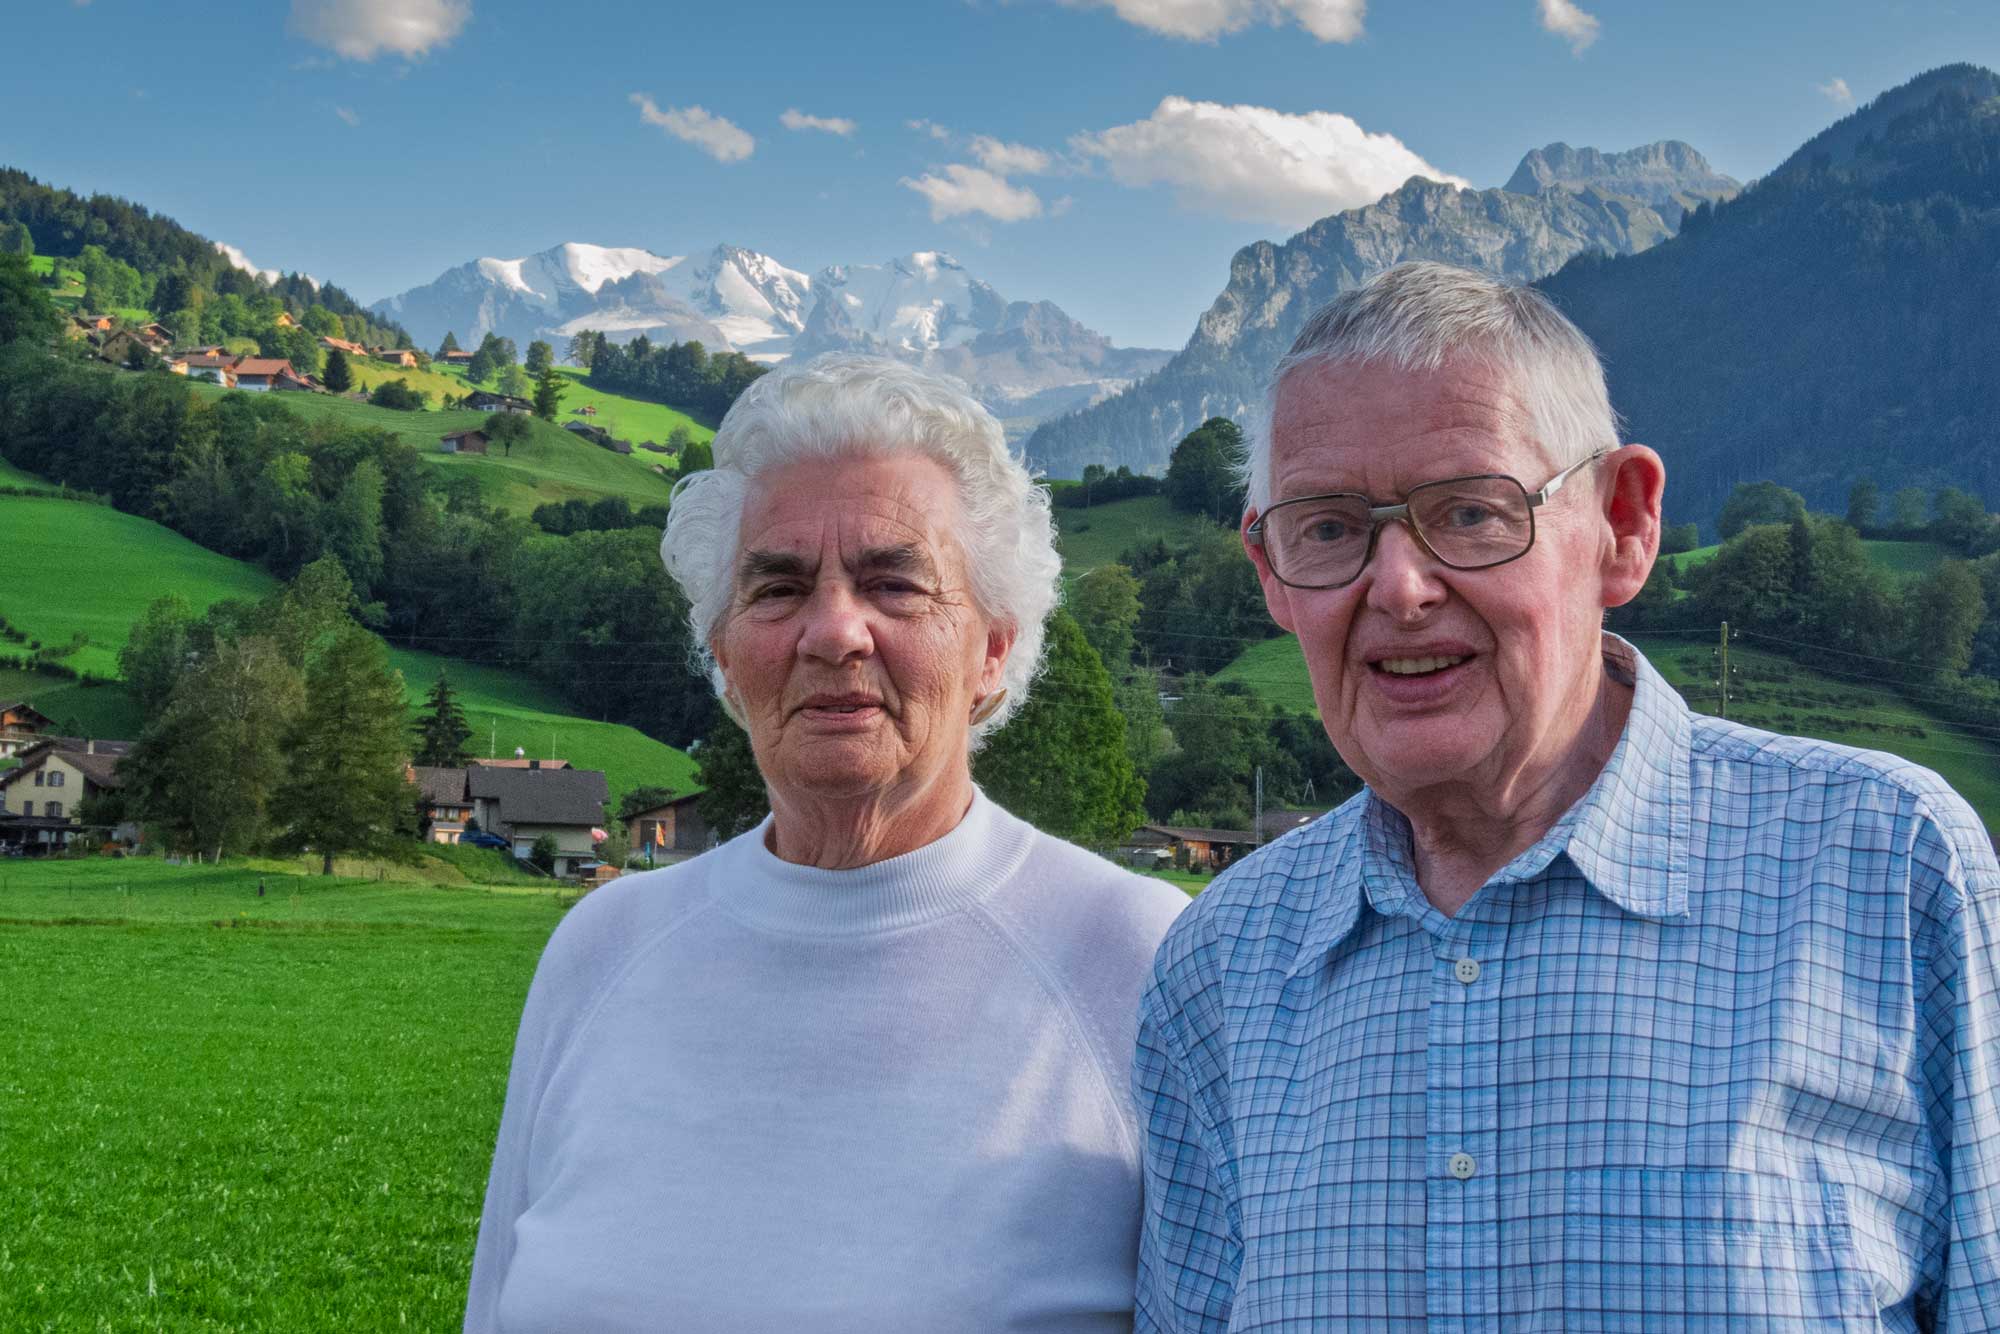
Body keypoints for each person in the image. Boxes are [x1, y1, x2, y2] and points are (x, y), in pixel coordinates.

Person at [1133, 261, 2000, 1330]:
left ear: (1621, 526)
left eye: (1470, 511)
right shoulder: (1219, 969)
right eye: (1326, 528)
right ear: (1268, 574)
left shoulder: (1884, 867)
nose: (1398, 587)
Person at [466, 353, 1187, 1332]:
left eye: (894, 581)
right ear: (723, 651)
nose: (834, 629)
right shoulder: (598, 947)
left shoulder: (1143, 955)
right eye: (778, 587)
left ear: (992, 647)